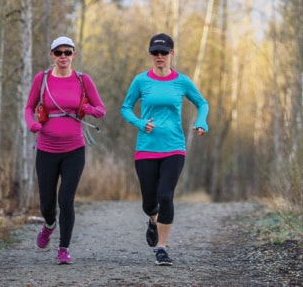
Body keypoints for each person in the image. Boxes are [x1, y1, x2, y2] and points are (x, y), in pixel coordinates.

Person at [120, 33, 209, 266]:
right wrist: (140, 123)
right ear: (150, 54)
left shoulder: (182, 81)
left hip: (174, 147)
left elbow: (202, 103)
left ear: (172, 53)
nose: (159, 57)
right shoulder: (141, 81)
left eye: (164, 52)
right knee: (149, 203)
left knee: (166, 195)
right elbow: (126, 107)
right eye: (155, 53)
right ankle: (153, 220)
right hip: (146, 148)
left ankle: (162, 248)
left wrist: (202, 121)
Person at [24, 35, 106, 265]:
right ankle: (49, 224)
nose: (63, 57)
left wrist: (86, 108)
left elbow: (101, 109)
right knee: (47, 203)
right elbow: (29, 107)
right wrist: (32, 124)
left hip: (74, 150)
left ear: (74, 55)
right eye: (58, 52)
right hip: (46, 149)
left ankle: (64, 248)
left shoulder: (83, 80)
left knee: (66, 199)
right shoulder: (42, 79)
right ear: (52, 55)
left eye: (67, 52)